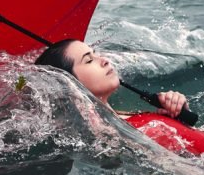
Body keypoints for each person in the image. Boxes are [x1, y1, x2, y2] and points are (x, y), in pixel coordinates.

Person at [34, 38, 188, 119]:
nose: (104, 60)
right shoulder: (103, 140)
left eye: (95, 53)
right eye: (88, 60)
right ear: (68, 82)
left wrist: (179, 112)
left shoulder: (131, 117)